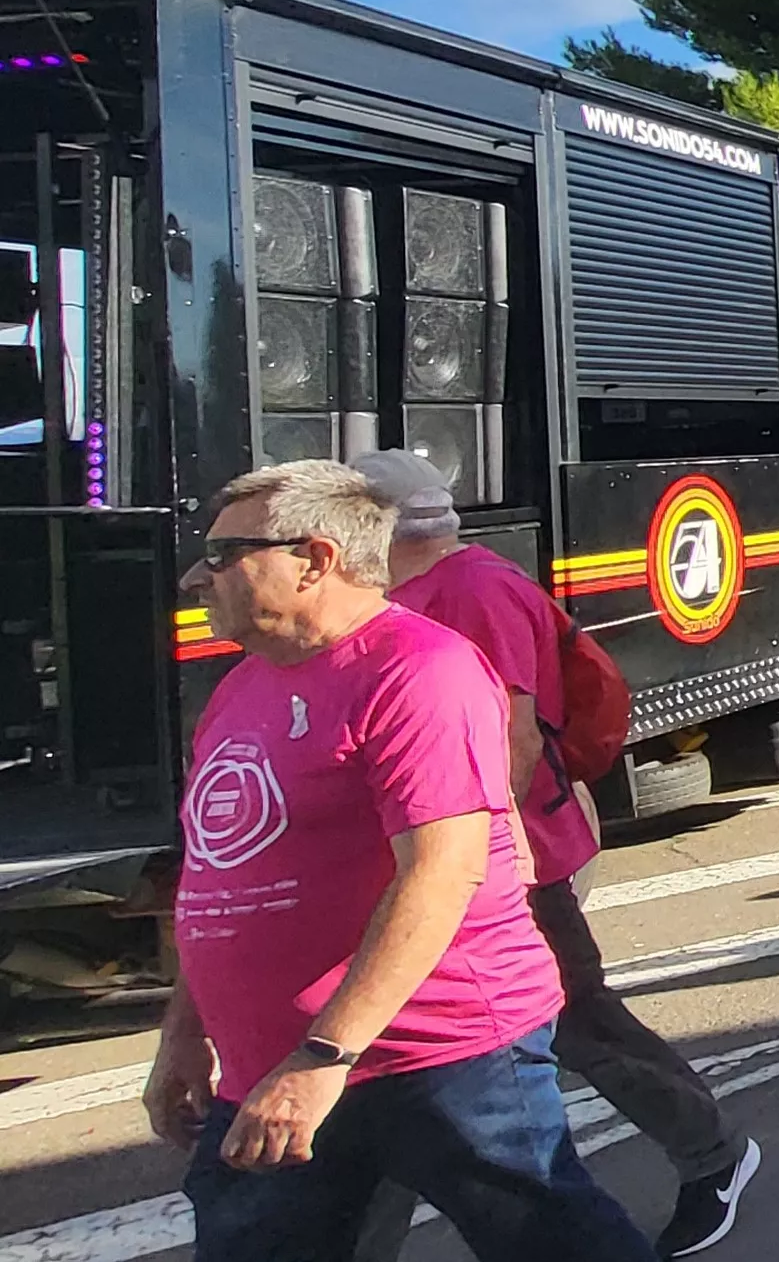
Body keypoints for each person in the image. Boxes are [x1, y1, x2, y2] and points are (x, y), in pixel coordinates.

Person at [148, 461, 652, 1262]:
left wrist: (323, 1056)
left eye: (220, 554)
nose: (193, 577)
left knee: (554, 1242)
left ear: (314, 558)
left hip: (434, 1055)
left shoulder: (418, 670)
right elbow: (223, 873)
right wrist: (184, 1033)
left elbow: (440, 872)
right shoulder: (241, 688)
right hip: (276, 1064)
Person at [350, 452, 759, 1260]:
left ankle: (712, 1154)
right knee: (393, 1050)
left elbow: (514, 734)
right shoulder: (414, 594)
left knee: (576, 1023)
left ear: (381, 526)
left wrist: (474, 861)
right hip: (439, 866)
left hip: (503, 865)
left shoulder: (471, 590)